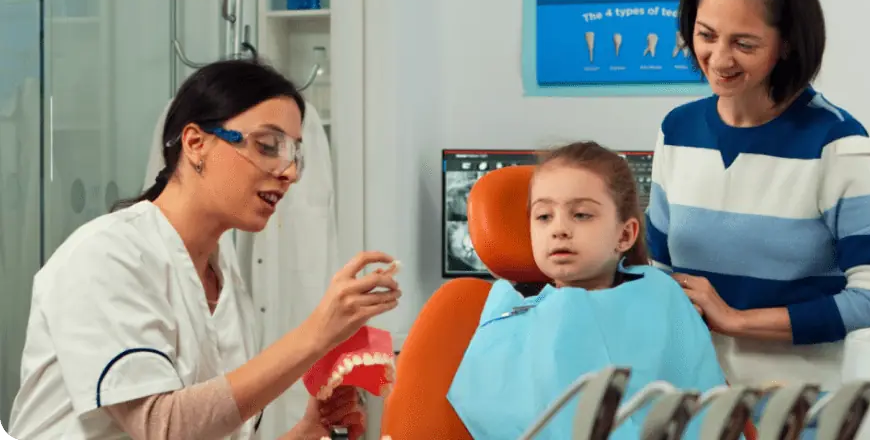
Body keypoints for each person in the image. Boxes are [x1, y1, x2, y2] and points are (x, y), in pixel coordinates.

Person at [8, 60, 401, 440]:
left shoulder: (226, 288)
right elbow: (162, 426)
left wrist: (303, 434)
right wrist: (317, 334)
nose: (290, 172)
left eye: (295, 154)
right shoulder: (106, 256)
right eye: (268, 145)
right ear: (195, 143)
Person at [646, 0, 870, 389]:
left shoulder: (835, 142)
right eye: (706, 35)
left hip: (803, 406)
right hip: (697, 399)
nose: (719, 59)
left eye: (744, 44)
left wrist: (737, 320)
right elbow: (659, 275)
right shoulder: (677, 132)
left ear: (786, 43)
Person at [447, 141, 727, 439]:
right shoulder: (505, 313)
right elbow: (488, 410)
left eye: (581, 215)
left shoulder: (660, 298)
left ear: (625, 234)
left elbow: (704, 414)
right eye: (544, 216)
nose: (559, 229)